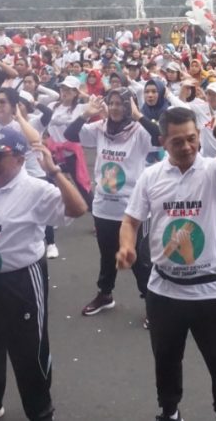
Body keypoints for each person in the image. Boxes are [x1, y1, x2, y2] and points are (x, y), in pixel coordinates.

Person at [117, 107, 216, 421]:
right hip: (164, 291)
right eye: (178, 142)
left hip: (209, 291)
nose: (188, 147)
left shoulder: (214, 171)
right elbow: (130, 220)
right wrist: (126, 247)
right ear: (163, 141)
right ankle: (169, 410)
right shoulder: (151, 177)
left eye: (193, 139)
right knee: (166, 360)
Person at [0, 125, 88, 421]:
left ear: (21, 159)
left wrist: (56, 172)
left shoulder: (36, 190)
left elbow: (77, 210)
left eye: (0, 154)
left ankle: (40, 412)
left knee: (29, 352)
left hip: (21, 281)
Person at [65, 89, 158, 319]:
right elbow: (70, 134)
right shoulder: (100, 128)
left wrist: (139, 116)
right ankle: (105, 294)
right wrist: (86, 114)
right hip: (104, 206)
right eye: (112, 103)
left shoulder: (139, 131)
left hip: (133, 209)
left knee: (141, 261)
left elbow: (160, 137)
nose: (116, 108)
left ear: (130, 107)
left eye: (121, 104)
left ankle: (153, 305)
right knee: (107, 255)